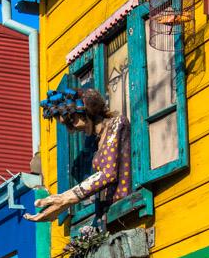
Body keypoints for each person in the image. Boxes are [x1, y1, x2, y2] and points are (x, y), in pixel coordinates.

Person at [25, 88, 131, 222]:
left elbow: (108, 173)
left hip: (125, 207)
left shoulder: (117, 124)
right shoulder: (97, 141)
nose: (71, 130)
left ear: (87, 110)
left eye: (71, 120)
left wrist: (65, 198)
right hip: (112, 214)